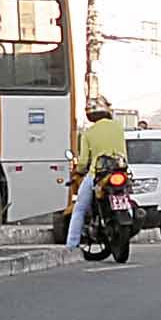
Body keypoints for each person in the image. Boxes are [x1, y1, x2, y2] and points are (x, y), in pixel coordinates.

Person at [65, 94, 127, 250]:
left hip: (97, 174)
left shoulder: (89, 133)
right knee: (126, 198)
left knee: (79, 208)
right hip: (120, 171)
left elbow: (84, 160)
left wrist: (77, 172)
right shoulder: (118, 127)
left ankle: (71, 245)